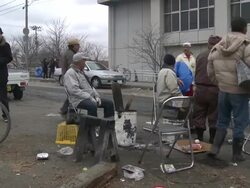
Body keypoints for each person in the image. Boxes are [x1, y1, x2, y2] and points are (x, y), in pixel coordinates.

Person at [207, 17, 250, 163]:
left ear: (231, 28)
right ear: (244, 28)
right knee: (240, 122)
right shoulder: (246, 44)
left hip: (223, 91)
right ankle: (237, 155)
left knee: (222, 121)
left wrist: (219, 83)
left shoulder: (219, 45)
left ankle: (214, 149)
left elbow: (210, 70)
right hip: (240, 91)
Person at [64, 52, 114, 118]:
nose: (85, 63)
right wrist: (89, 97)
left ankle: (108, 125)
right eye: (84, 61)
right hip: (78, 100)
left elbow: (91, 87)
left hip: (89, 98)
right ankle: (92, 127)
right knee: (92, 106)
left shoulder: (82, 73)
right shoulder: (71, 73)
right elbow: (74, 90)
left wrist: (96, 96)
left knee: (109, 103)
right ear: (79, 62)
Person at [193, 35, 221, 143]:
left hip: (200, 89)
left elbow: (196, 72)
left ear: (208, 44)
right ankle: (212, 139)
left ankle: (199, 138)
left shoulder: (200, 55)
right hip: (215, 89)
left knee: (199, 114)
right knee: (214, 115)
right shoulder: (221, 56)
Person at [60, 38, 80, 116]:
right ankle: (70, 112)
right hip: (70, 78)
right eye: (77, 45)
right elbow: (73, 67)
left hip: (68, 77)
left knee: (71, 95)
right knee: (74, 95)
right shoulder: (71, 54)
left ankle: (64, 110)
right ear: (72, 46)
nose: (79, 47)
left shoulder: (69, 53)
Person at [0, 27, 13, 122]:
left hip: (1, 74)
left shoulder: (5, 45)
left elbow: (9, 57)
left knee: (2, 96)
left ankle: (5, 115)